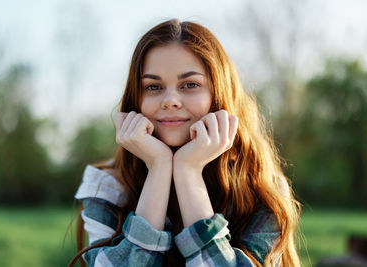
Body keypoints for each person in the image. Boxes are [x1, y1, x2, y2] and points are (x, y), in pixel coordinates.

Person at [69, 19, 301, 267]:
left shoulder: (260, 187)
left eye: (190, 84)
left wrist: (188, 171)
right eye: (153, 86)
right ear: (135, 99)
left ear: (218, 95)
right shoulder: (107, 186)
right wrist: (159, 167)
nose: (170, 100)